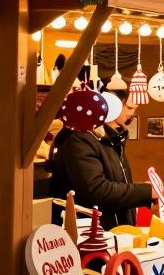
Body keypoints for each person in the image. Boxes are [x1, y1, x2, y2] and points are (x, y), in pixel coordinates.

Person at [49, 90, 151, 229]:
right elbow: (96, 190)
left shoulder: (110, 139)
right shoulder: (79, 140)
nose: (131, 113)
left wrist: (144, 192)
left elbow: (116, 183)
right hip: (90, 234)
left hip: (116, 231)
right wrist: (145, 191)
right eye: (128, 107)